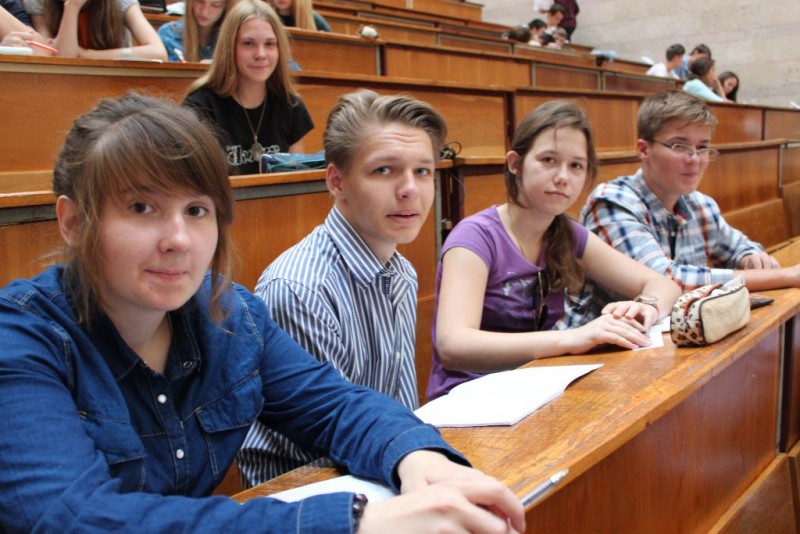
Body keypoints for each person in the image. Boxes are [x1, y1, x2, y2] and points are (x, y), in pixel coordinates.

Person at [0, 91, 525, 534]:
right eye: (142, 208)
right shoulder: (21, 339)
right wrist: (356, 522)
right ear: (73, 222)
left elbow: (338, 406)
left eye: (196, 210)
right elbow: (72, 517)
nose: (179, 240)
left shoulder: (230, 315)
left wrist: (419, 458)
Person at [239, 89, 446, 486]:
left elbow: (399, 407)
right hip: (307, 488)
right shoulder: (300, 289)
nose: (410, 189)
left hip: (383, 464)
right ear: (336, 181)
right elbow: (328, 438)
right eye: (384, 170)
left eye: (423, 171)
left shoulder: (402, 272)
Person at [427, 101, 680, 400]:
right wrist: (572, 339)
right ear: (515, 164)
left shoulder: (567, 233)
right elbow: (454, 345)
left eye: (576, 165)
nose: (563, 176)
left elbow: (663, 285)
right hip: (467, 400)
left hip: (535, 388)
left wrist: (647, 306)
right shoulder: (475, 236)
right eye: (549, 160)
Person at [568, 90, 800, 327]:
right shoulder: (612, 202)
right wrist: (785, 276)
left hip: (668, 336)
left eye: (703, 147)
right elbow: (667, 281)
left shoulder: (700, 204)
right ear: (644, 149)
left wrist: (750, 257)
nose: (695, 159)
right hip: (599, 343)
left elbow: (738, 247)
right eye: (680, 146)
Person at [184, 0, 313, 176]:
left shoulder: (291, 106)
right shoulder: (200, 108)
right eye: (248, 43)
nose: (261, 54)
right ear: (230, 47)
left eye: (269, 44)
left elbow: (293, 182)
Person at [23, 0, 166, 59]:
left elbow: (158, 52)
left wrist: (89, 55)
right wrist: (72, 6)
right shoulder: (39, 2)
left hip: (112, 80)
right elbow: (59, 58)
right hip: (63, 81)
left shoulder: (121, 2)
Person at [158, 0, 230, 62]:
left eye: (216, 5)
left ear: (226, 6)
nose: (204, 12)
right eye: (200, 1)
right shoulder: (168, 35)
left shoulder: (230, 38)